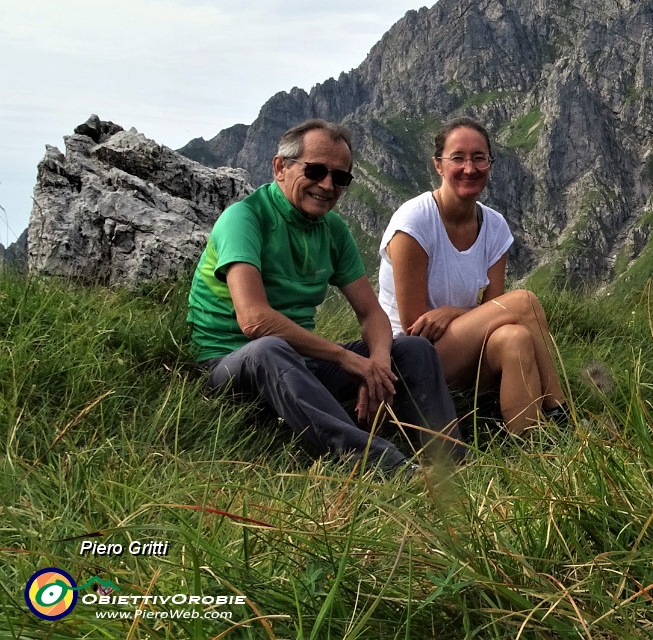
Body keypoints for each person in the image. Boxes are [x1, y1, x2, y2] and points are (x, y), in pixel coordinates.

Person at [188, 119, 462, 474]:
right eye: (316, 171)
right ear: (280, 167)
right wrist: (347, 360)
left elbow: (371, 313)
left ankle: (451, 462)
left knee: (412, 349)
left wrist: (376, 366)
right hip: (228, 363)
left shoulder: (333, 230)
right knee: (269, 349)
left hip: (299, 361)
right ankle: (384, 467)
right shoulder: (244, 219)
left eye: (341, 177)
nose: (327, 185)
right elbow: (254, 319)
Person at [378, 117, 567, 436]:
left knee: (515, 337)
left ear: (490, 164)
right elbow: (415, 326)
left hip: (460, 352)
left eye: (479, 158)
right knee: (525, 302)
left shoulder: (494, 227)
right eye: (458, 158)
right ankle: (562, 414)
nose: (470, 167)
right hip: (411, 360)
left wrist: (454, 312)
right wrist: (473, 315)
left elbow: (497, 314)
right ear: (438, 165)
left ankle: (533, 447)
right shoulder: (414, 222)